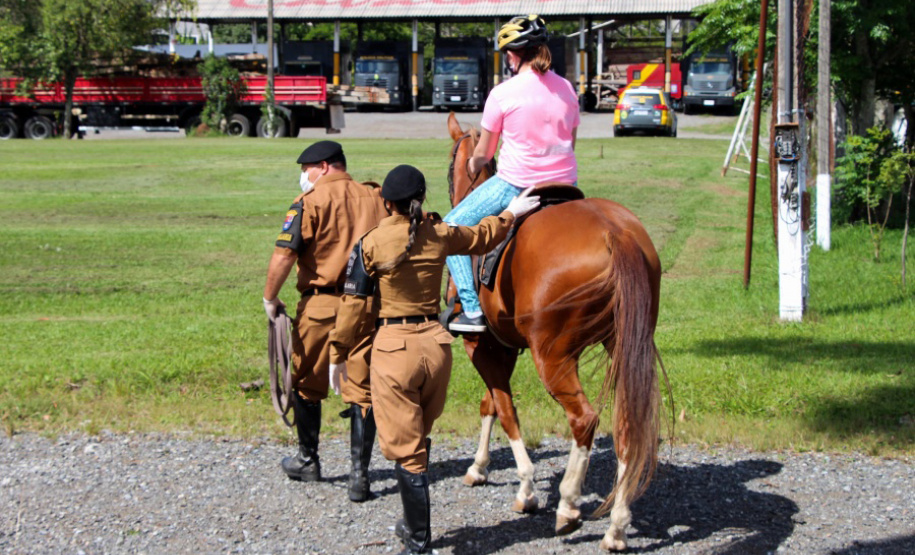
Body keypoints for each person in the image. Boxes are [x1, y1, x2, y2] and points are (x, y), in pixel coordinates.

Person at [328, 165, 540, 554]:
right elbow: (482, 236)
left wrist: (337, 353)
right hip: (437, 349)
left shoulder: (371, 243)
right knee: (417, 439)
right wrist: (513, 211)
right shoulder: (439, 233)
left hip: (394, 352)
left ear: (386, 203)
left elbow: (353, 308)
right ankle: (412, 523)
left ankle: (418, 542)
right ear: (421, 199)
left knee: (407, 450)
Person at [262, 140, 388, 502]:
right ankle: (360, 476)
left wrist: (270, 298)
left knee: (305, 382)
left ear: (324, 166)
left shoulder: (308, 202)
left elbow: (285, 255)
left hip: (322, 304)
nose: (304, 176)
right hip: (366, 304)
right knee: (362, 388)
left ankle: (308, 460)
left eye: (307, 169)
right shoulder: (376, 197)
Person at [444, 14, 580, 334]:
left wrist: (473, 166)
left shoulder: (503, 93)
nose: (507, 58)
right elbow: (571, 142)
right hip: (567, 185)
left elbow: (485, 153)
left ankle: (471, 310)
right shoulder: (567, 89)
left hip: (517, 185)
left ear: (514, 55)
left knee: (450, 227)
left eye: (507, 52)